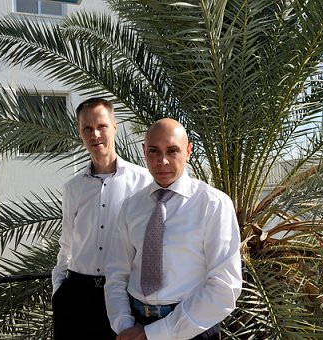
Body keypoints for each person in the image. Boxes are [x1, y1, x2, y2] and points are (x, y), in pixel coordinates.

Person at [104, 118, 243, 340]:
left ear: (188, 151)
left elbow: (224, 288)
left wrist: (156, 333)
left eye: (172, 150)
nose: (163, 161)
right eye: (154, 151)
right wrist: (123, 324)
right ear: (144, 151)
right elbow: (117, 273)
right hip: (135, 326)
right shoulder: (131, 206)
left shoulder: (213, 205)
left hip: (191, 329)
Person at [51, 97, 152, 340]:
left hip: (122, 295)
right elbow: (67, 243)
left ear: (114, 127)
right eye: (87, 128)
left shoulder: (143, 182)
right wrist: (59, 290)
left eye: (101, 126)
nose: (95, 134)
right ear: (80, 132)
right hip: (76, 294)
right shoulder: (72, 188)